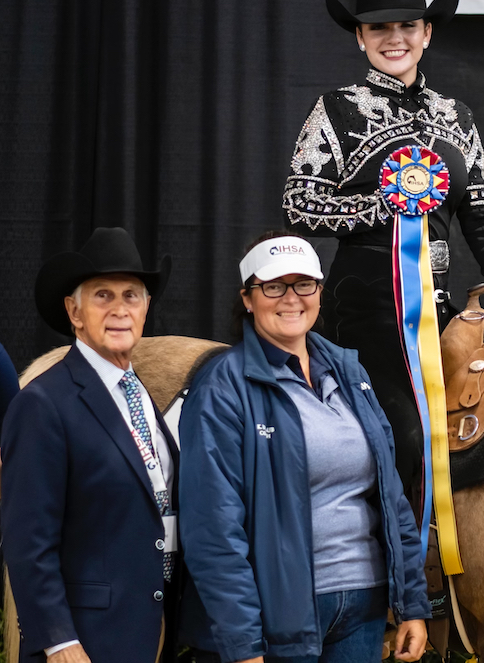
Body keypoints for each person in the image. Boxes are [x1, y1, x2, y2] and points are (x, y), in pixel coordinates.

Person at [282, 0, 484, 495]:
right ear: (360, 37)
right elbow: (299, 204)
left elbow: (483, 219)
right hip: (361, 318)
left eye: (407, 25)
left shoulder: (458, 118)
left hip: (438, 313)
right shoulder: (337, 111)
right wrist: (385, 205)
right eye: (379, 27)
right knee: (406, 437)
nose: (394, 38)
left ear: (427, 33)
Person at [178, 232, 430, 663]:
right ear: (248, 298)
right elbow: (212, 527)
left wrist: (411, 604)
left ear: (319, 291)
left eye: (303, 284)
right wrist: (242, 643)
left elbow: (390, 498)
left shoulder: (351, 374)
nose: (290, 298)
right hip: (277, 617)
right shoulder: (223, 386)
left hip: (363, 610)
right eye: (273, 286)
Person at [1, 227, 178, 663]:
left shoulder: (139, 394)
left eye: (131, 296)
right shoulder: (42, 404)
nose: (120, 309)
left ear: (146, 307)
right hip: (85, 643)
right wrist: (58, 642)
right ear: (74, 312)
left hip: (149, 630)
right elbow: (27, 540)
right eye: (103, 296)